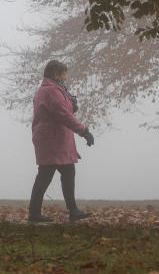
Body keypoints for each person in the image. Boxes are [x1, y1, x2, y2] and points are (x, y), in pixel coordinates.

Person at [28, 59, 95, 223]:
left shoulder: (56, 89)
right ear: (56, 74)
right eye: (64, 73)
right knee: (45, 175)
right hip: (51, 140)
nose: (66, 77)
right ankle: (35, 213)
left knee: (67, 172)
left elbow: (65, 110)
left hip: (57, 139)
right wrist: (83, 130)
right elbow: (63, 114)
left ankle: (72, 210)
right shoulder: (51, 91)